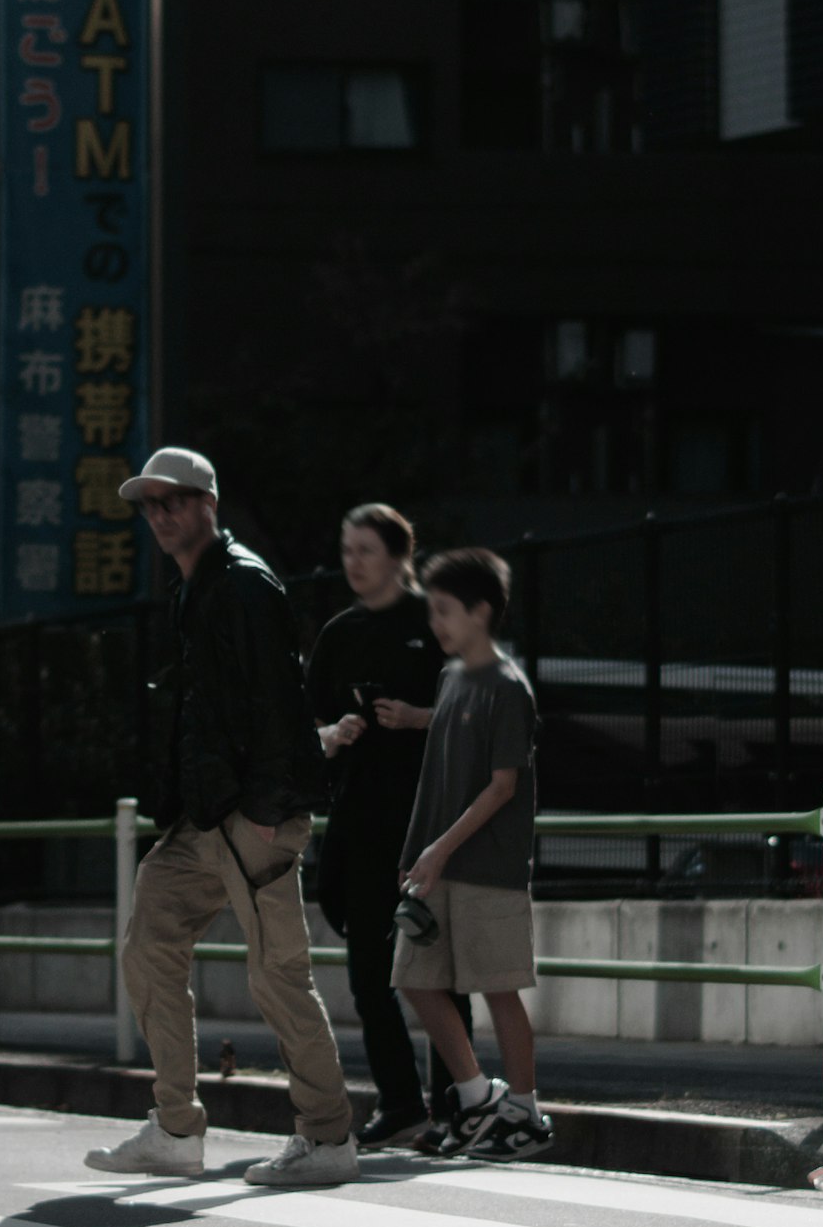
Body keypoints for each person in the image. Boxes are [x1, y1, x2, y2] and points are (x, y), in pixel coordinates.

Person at [88, 446, 362, 1186]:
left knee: (278, 975)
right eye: (149, 503)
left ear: (210, 503)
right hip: (204, 817)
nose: (160, 514)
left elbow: (279, 700)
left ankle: (328, 1137)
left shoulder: (241, 585)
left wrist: (269, 809)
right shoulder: (198, 589)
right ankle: (176, 1128)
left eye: (173, 499)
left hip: (251, 814)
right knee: (148, 946)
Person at [310, 502, 468, 1149]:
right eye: (347, 550)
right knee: (370, 973)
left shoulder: (432, 621)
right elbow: (305, 721)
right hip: (360, 821)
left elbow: (480, 709)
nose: (353, 562)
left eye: (366, 550)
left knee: (437, 965)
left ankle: (458, 1100)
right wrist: (331, 733)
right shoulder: (339, 633)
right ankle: (401, 1102)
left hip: (428, 821)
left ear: (400, 556)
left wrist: (417, 716)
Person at [393, 548, 551, 1158]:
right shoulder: (452, 677)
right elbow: (436, 776)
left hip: (490, 867)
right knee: (415, 978)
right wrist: (417, 853)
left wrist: (435, 849)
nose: (435, 622)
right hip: (438, 862)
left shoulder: (509, 687)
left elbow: (503, 785)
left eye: (445, 610)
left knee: (498, 988)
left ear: (481, 611)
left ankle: (526, 1111)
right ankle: (479, 1097)